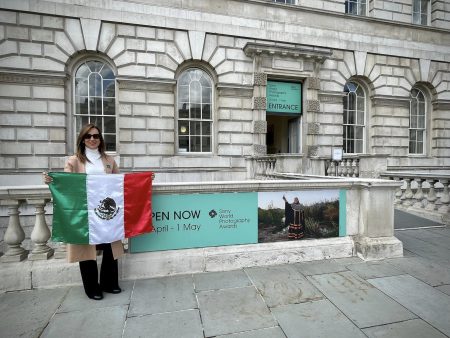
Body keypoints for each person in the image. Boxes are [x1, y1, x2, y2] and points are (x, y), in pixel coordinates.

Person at [44, 124, 123, 300]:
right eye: (88, 136)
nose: (92, 139)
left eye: (96, 136)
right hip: (85, 212)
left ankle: (109, 283)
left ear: (100, 139)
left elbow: (120, 183)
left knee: (111, 247)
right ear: (82, 139)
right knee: (86, 249)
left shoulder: (109, 161)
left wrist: (145, 179)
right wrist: (51, 180)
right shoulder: (73, 160)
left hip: (106, 211)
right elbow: (66, 184)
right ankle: (92, 288)